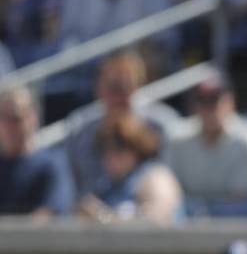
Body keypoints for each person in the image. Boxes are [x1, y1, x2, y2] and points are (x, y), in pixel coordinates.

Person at [63, 51, 179, 196]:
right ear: (98, 89)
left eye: (126, 87)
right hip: (93, 206)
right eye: (114, 88)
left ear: (138, 87)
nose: (120, 96)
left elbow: (169, 185)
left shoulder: (161, 125)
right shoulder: (80, 129)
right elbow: (73, 186)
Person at [164, 70, 247, 216]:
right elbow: (166, 189)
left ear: (230, 102)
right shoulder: (177, 138)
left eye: (214, 99)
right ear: (193, 105)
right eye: (202, 100)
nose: (209, 108)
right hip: (189, 219)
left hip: (238, 221)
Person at [76, 113, 183, 225]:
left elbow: (158, 219)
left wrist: (105, 217)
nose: (110, 156)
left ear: (137, 147)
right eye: (104, 149)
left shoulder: (156, 176)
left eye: (119, 147)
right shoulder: (107, 185)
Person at [0, 86, 73, 217]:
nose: (9, 126)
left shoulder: (52, 164)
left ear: (33, 118)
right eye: (3, 118)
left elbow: (49, 213)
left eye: (16, 118)